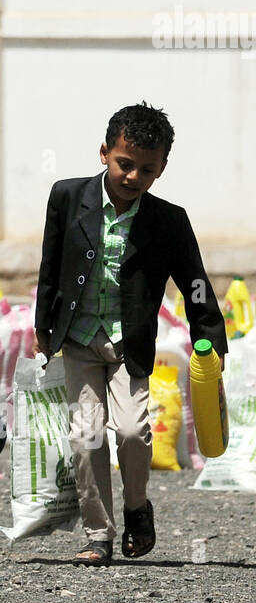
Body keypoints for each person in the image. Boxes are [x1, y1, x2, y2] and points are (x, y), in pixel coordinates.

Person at [34, 103, 228, 566]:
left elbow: (194, 281)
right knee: (85, 437)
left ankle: (138, 507)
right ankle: (98, 534)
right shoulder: (67, 197)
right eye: (125, 163)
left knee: (132, 430)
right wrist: (42, 326)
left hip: (128, 342)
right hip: (78, 336)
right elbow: (49, 265)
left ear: (161, 168)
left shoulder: (169, 221)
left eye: (146, 168)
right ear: (104, 153)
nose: (133, 176)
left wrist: (211, 339)